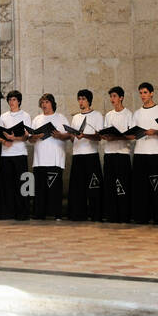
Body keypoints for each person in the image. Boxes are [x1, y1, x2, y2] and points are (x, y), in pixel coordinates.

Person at [131, 82, 158, 225]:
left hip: (154, 153)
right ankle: (141, 216)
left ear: (151, 93)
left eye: (145, 92)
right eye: (140, 93)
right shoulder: (137, 113)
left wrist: (156, 132)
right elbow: (133, 134)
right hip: (140, 152)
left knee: (156, 186)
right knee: (140, 187)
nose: (142, 96)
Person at [29, 94, 71, 220]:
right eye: (42, 102)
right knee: (40, 189)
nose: (44, 104)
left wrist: (60, 136)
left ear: (52, 103)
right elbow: (30, 139)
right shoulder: (37, 119)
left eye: (46, 102)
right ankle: (39, 214)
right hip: (40, 159)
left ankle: (57, 213)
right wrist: (34, 137)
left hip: (55, 159)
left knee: (55, 189)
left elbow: (69, 135)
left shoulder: (61, 118)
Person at [66, 89, 104, 221]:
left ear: (89, 101)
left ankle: (96, 214)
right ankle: (77, 214)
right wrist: (72, 135)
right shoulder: (76, 117)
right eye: (79, 99)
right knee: (77, 187)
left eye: (83, 99)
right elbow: (72, 138)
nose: (81, 102)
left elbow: (99, 137)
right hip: (77, 155)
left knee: (94, 186)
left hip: (90, 155)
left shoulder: (97, 115)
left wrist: (84, 135)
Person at [0, 90, 32, 220]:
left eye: (14, 100)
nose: (12, 102)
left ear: (19, 101)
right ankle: (6, 212)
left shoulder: (25, 115)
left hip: (20, 153)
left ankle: (22, 213)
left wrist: (13, 138)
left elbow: (27, 137)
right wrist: (5, 140)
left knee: (22, 184)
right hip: (6, 154)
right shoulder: (4, 116)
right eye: (10, 100)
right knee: (7, 185)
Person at [101, 86, 133, 223]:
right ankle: (111, 215)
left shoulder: (128, 114)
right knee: (109, 186)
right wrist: (105, 136)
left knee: (122, 186)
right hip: (109, 153)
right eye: (111, 96)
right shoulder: (108, 115)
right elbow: (106, 133)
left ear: (121, 97)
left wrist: (118, 137)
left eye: (114, 96)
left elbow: (132, 135)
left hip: (122, 154)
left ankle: (124, 215)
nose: (112, 99)